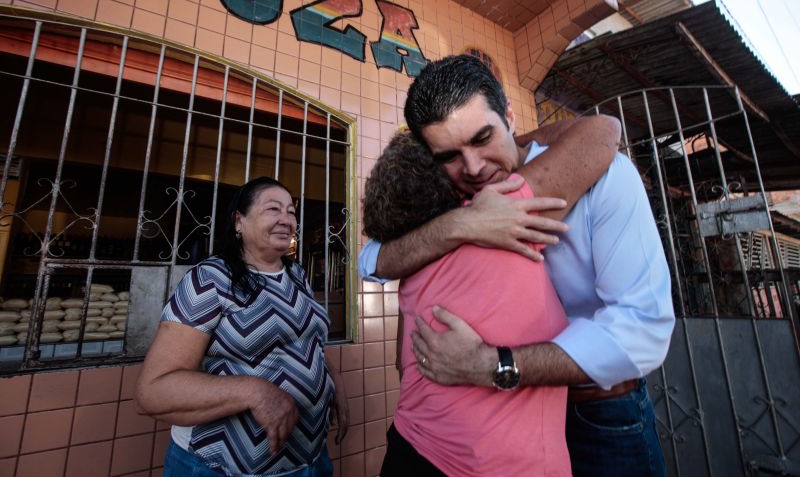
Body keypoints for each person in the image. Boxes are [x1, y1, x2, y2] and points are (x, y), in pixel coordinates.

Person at [358, 55, 675, 477]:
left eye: (483, 137)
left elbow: (644, 331)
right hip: (507, 430)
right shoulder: (457, 199)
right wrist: (459, 225)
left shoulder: (604, 173)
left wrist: (493, 365)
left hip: (600, 412)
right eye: (449, 155)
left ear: (509, 115)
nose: (473, 167)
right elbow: (371, 259)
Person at [364, 129, 605, 475]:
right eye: (452, 156)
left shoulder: (409, 263)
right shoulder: (496, 217)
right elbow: (601, 134)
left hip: (408, 447)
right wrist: (496, 140)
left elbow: (401, 364)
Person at [135, 176, 348, 477]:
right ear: (239, 221)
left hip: (308, 460)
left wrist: (332, 381)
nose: (286, 219)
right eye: (273, 209)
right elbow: (152, 392)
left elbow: (306, 340)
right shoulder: (210, 280)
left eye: (291, 211)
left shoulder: (297, 275)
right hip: (219, 468)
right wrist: (256, 392)